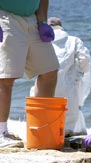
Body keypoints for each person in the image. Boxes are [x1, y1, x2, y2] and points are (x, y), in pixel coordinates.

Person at [0, 0, 59, 146]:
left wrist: (42, 21)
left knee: (49, 70)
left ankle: (40, 129)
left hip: (33, 20)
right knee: (6, 77)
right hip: (6, 18)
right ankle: (1, 132)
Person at [47, 17, 91, 136]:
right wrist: (77, 74)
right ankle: (65, 136)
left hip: (43, 86)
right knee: (68, 122)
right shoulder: (74, 40)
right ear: (61, 27)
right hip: (67, 87)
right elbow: (85, 62)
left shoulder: (41, 40)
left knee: (46, 118)